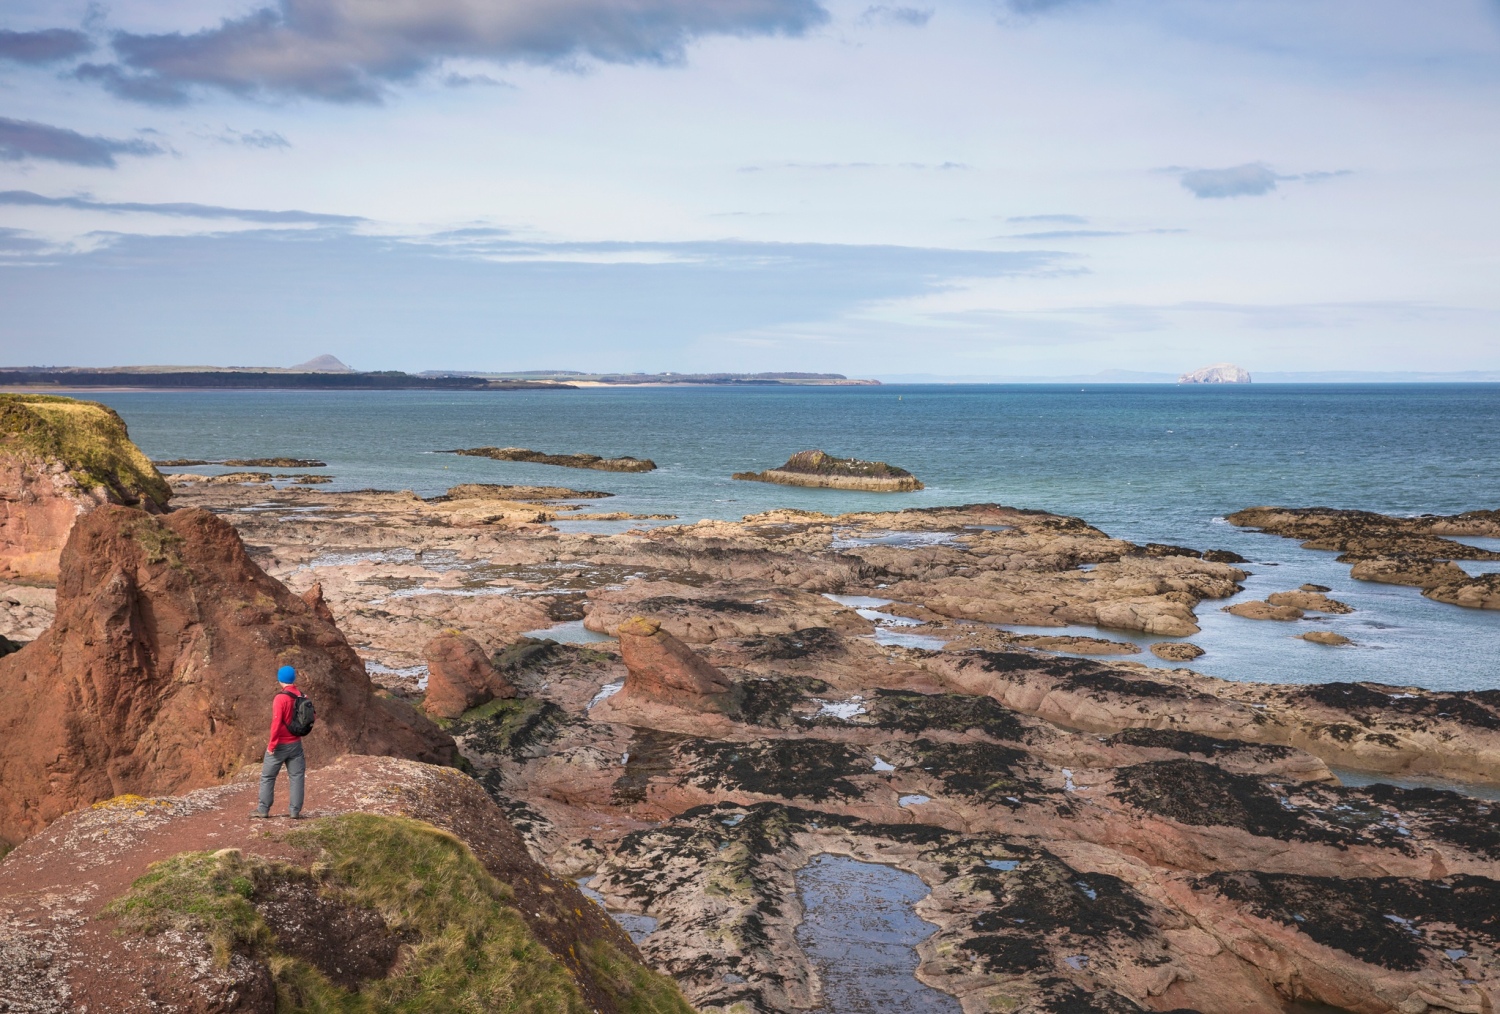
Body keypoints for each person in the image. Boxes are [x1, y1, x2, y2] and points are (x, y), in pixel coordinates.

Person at [252, 665, 306, 819]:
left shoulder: (280, 698)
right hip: (296, 744)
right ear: (293, 678)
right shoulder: (303, 696)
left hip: (279, 745)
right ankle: (295, 811)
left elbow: (276, 724)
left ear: (280, 679)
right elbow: (312, 717)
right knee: (296, 777)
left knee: (268, 777)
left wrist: (272, 745)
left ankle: (263, 809)